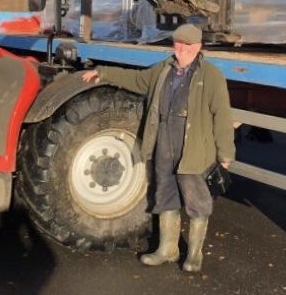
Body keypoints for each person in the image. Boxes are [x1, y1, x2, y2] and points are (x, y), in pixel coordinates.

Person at [82, 23, 235, 273]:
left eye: (187, 45)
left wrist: (225, 153)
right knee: (165, 195)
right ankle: (168, 249)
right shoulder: (163, 69)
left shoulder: (211, 75)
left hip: (194, 147)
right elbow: (136, 79)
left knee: (197, 201)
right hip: (164, 140)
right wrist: (103, 72)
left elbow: (222, 115)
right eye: (178, 44)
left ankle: (194, 254)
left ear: (198, 47)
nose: (181, 49)